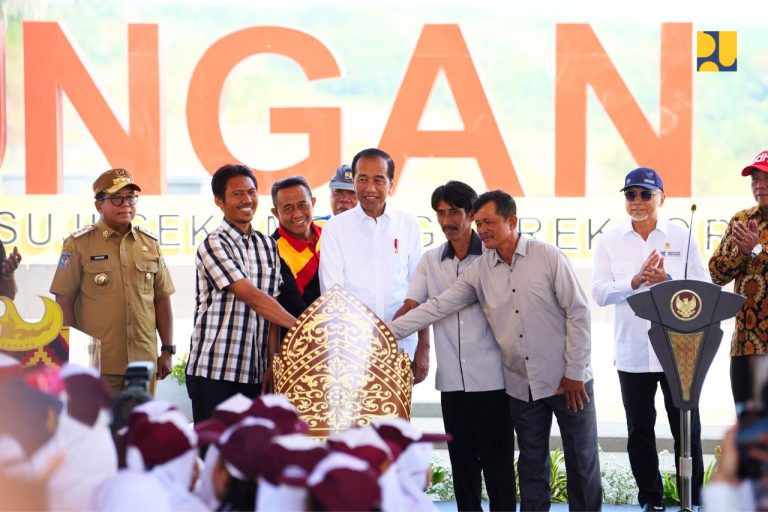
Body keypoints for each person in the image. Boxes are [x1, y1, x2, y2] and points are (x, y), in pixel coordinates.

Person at [389, 190, 602, 511]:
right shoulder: (480, 269)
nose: (482, 229)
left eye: (489, 222)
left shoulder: (547, 256)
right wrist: (385, 332)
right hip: (521, 385)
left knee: (581, 461)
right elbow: (438, 306)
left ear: (512, 221)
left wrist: (575, 371)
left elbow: (578, 312)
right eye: (479, 223)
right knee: (531, 466)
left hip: (568, 380)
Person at [393, 181, 516, 511]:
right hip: (451, 382)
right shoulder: (430, 260)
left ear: (472, 214)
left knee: (498, 465)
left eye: (454, 212)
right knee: (462, 464)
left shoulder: (492, 256)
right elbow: (412, 307)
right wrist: (379, 332)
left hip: (493, 380)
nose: (447, 220)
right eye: (440, 213)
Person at [592, 167, 708, 511]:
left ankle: (693, 499)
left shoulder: (682, 236)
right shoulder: (609, 240)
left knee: (686, 429)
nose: (638, 201)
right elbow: (599, 293)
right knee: (639, 431)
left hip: (677, 348)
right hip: (632, 351)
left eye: (646, 194)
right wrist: (634, 281)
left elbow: (702, 288)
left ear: (662, 198)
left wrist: (668, 280)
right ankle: (651, 500)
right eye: (631, 195)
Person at [186, 163, 297, 425]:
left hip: (255, 375)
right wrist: (302, 329)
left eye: (251, 192)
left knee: (251, 448)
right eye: (237, 194)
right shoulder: (214, 243)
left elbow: (272, 307)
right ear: (219, 201)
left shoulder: (268, 245)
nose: (247, 199)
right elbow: (251, 297)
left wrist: (272, 364)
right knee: (213, 448)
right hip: (214, 372)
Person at [50, 168, 175, 394]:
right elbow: (64, 300)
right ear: (99, 205)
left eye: (130, 197)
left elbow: (162, 299)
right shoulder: (78, 244)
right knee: (100, 418)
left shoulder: (149, 243)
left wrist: (167, 349)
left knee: (141, 418)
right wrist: (72, 354)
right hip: (98, 364)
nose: (125, 204)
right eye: (117, 198)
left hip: (143, 363)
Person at [319, 148, 430, 382]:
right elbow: (332, 295)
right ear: (354, 182)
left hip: (401, 347)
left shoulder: (408, 224)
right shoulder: (336, 228)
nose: (370, 188)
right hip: (350, 351)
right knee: (352, 408)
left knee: (396, 408)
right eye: (363, 179)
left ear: (391, 184)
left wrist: (424, 346)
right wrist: (368, 338)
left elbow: (419, 291)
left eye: (378, 180)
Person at [710, 150, 768, 407]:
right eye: (755, 179)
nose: (759, 185)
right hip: (746, 345)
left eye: (766, 178)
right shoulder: (742, 220)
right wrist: (742, 254)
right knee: (748, 424)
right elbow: (716, 273)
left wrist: (757, 250)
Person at [270, 176, 322, 328]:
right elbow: (294, 308)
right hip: (306, 333)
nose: (297, 214)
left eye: (302, 205)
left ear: (313, 203)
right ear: (276, 213)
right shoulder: (273, 250)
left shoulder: (329, 230)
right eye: (288, 208)